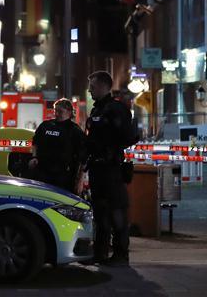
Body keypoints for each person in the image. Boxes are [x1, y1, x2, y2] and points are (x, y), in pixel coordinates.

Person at [85, 70, 135, 266]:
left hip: (111, 168)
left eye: (93, 86)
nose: (90, 90)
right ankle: (100, 253)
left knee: (116, 212)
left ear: (105, 86)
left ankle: (121, 254)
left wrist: (111, 148)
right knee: (100, 212)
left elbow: (128, 136)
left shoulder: (116, 109)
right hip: (97, 168)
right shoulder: (97, 110)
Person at [28, 98, 86, 193]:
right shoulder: (45, 125)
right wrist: (34, 157)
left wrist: (80, 180)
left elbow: (83, 156)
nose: (57, 114)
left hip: (63, 177)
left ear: (69, 112)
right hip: (42, 173)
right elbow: (35, 143)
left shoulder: (75, 130)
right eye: (55, 110)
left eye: (60, 111)